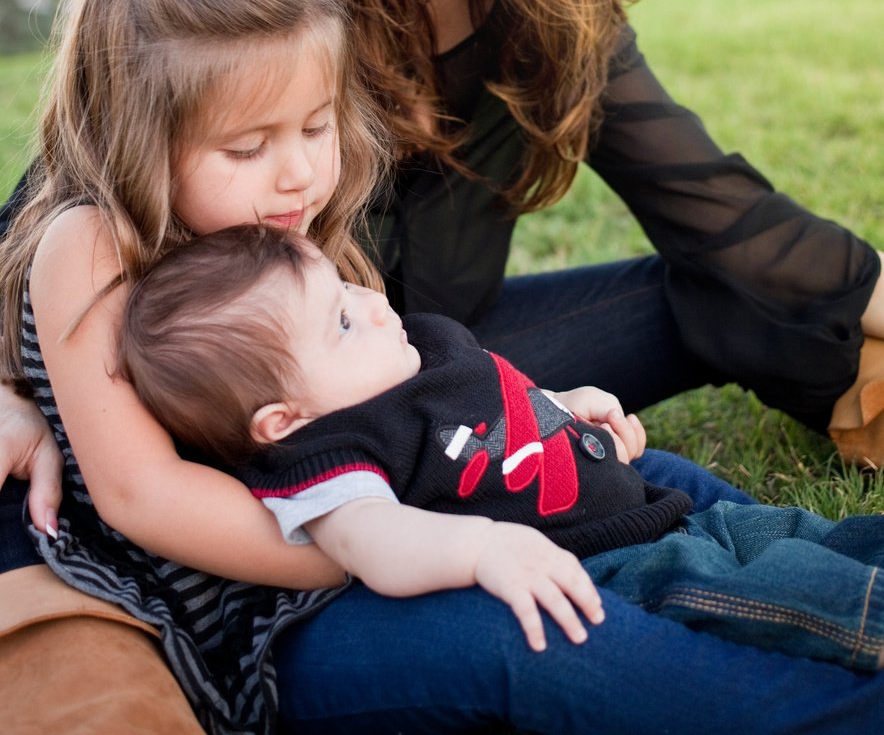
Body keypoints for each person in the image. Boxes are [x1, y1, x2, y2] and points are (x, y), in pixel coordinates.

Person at [3, 0, 884, 733]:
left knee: (695, 454)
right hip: (305, 480)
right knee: (558, 638)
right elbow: (67, 224)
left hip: (415, 376)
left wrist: (521, 431)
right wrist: (401, 538)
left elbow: (708, 205)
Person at [121, 223, 884, 674]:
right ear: (284, 420)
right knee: (797, 593)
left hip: (663, 517)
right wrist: (484, 550)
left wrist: (569, 406)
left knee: (804, 536)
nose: (372, 302)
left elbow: (505, 407)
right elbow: (379, 545)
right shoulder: (331, 457)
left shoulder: (417, 352)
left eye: (347, 288)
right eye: (342, 323)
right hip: (616, 571)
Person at [0, 0, 388, 733]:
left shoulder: (281, 233)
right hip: (240, 612)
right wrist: (370, 549)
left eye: (317, 127)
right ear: (139, 137)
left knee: (664, 509)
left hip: (361, 540)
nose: (298, 175)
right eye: (247, 148)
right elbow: (144, 496)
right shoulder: (94, 248)